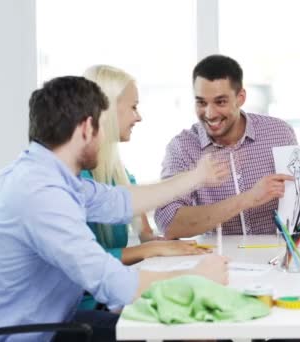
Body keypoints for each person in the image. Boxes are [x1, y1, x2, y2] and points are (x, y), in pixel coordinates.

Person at [0, 76, 230, 342]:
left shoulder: (52, 177)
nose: (104, 138)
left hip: (52, 324)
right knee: (185, 331)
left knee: (186, 328)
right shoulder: (40, 195)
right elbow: (113, 284)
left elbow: (122, 201)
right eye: (101, 127)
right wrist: (196, 276)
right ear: (86, 128)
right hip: (26, 337)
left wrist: (196, 177)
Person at [154, 54, 300, 238]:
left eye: (220, 102)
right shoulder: (182, 147)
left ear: (240, 97)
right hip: (218, 261)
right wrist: (248, 198)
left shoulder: (279, 132)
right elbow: (168, 223)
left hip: (276, 256)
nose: (209, 114)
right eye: (201, 102)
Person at [77, 65, 211, 311]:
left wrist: (177, 247)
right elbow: (91, 263)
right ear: (105, 109)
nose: (138, 117)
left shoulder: (117, 171)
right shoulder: (78, 178)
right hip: (88, 307)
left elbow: (145, 232)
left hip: (110, 298)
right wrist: (154, 248)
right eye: (133, 107)